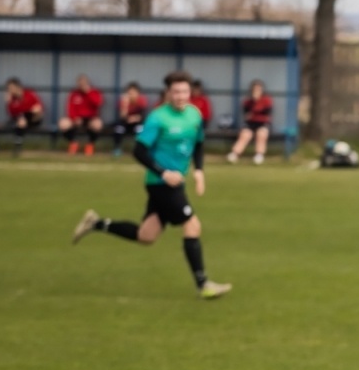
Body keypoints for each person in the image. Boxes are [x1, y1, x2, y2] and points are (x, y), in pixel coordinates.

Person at [69, 70, 232, 300]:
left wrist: (199, 172)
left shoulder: (194, 115)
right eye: (176, 92)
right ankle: (203, 284)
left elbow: (198, 144)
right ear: (168, 93)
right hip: (160, 183)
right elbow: (139, 150)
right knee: (193, 226)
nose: (181, 96)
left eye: (185, 91)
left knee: (146, 236)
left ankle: (96, 224)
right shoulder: (158, 118)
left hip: (176, 183)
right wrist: (163, 172)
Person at [226, 79, 273, 164]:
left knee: (261, 134)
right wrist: (255, 105)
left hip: (263, 123)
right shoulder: (248, 101)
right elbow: (247, 115)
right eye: (255, 89)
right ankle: (235, 154)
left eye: (259, 89)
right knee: (245, 134)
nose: (257, 91)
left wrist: (256, 109)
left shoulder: (266, 100)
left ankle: (259, 155)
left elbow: (266, 113)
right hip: (250, 123)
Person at [58, 74, 105, 156]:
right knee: (63, 123)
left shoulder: (94, 92)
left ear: (88, 83)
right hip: (77, 118)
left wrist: (88, 93)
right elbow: (70, 107)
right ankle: (73, 143)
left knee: (98, 124)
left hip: (91, 118)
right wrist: (74, 118)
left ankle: (90, 144)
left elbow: (98, 103)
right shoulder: (74, 94)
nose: (82, 86)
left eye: (84, 84)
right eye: (80, 84)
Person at [4, 79, 44, 155]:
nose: (10, 90)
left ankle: (17, 146)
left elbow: (39, 108)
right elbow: (12, 114)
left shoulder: (29, 94)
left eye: (11, 88)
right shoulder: (12, 99)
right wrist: (8, 103)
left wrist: (28, 113)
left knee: (23, 120)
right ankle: (17, 146)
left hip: (32, 118)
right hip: (19, 119)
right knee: (20, 122)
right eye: (8, 89)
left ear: (17, 87)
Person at [112, 82, 150, 157]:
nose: (131, 95)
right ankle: (117, 148)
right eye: (129, 93)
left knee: (140, 129)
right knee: (118, 129)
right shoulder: (123, 101)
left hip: (136, 123)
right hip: (125, 122)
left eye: (133, 93)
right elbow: (122, 117)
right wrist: (125, 105)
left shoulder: (141, 100)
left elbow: (142, 115)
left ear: (138, 93)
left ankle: (140, 149)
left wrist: (134, 118)